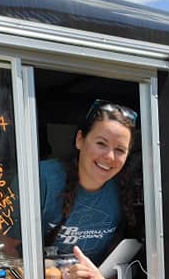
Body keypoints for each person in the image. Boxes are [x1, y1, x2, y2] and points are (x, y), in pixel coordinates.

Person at [39, 98, 139, 265]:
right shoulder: (43, 178)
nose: (109, 157)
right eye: (101, 143)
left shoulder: (122, 188)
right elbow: (8, 248)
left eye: (120, 150)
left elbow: (114, 261)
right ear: (80, 140)